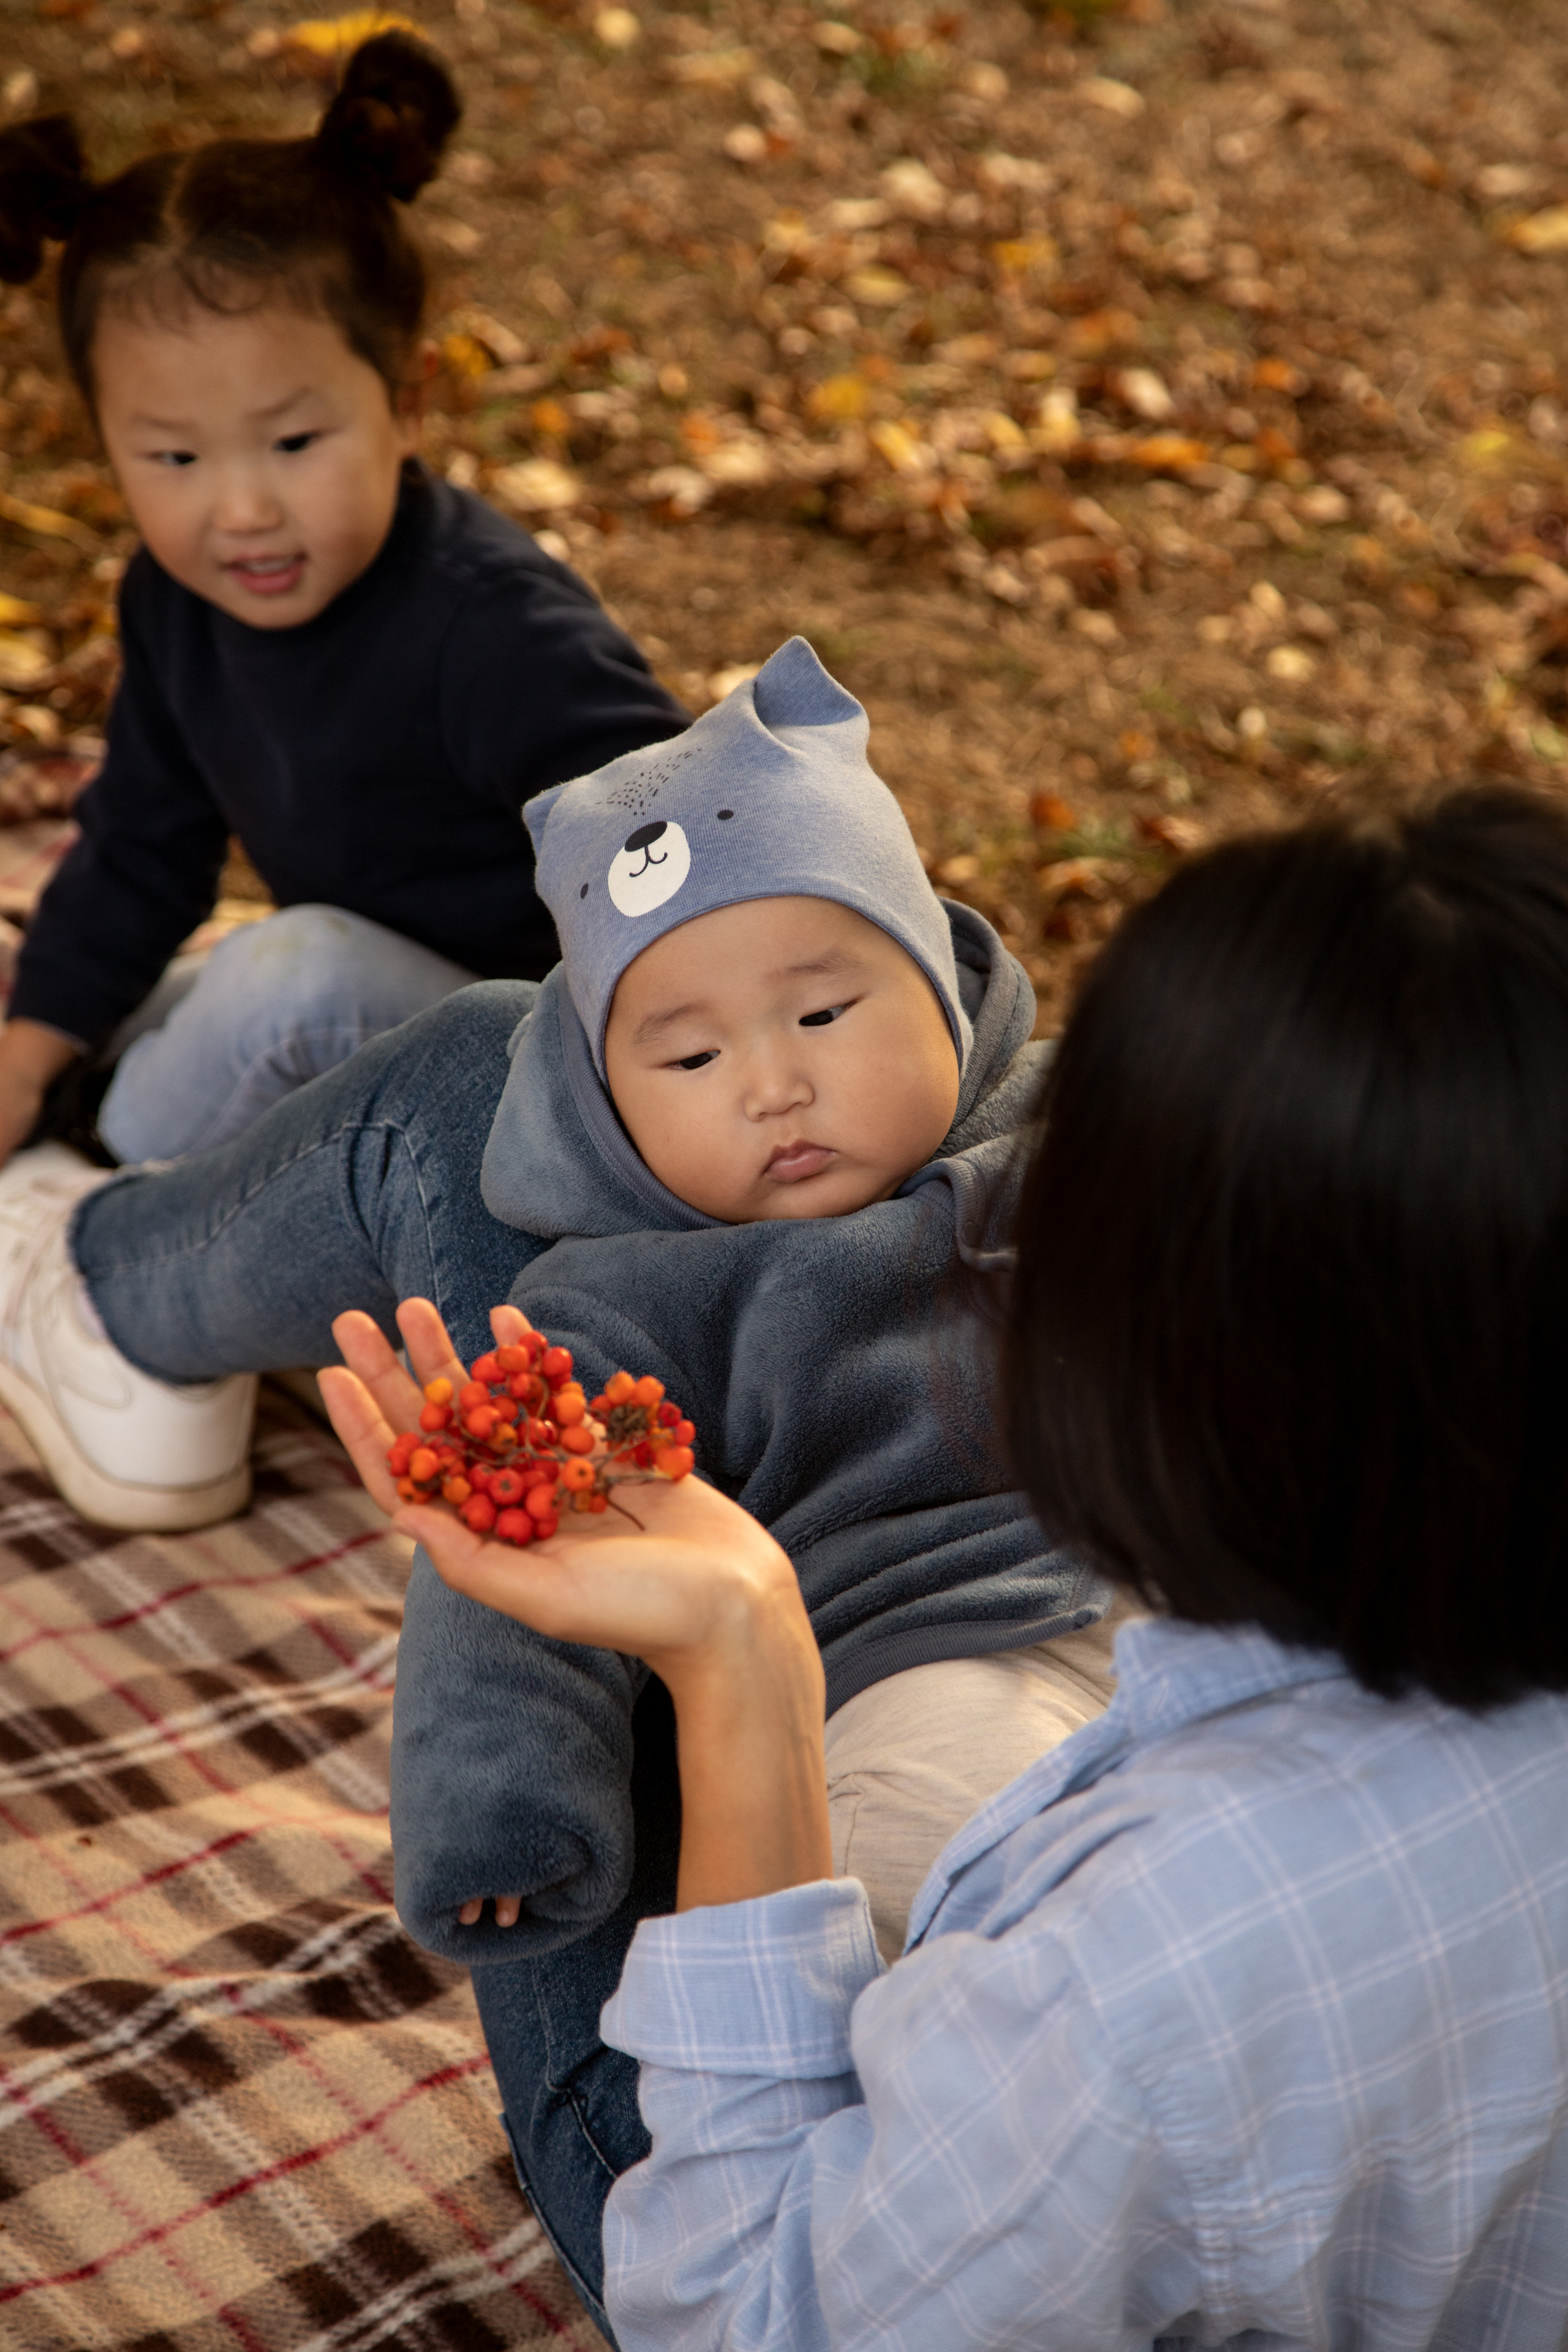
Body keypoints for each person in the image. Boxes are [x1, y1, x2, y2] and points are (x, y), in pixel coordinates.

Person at [324, 782, 1568, 2346]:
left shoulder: (1124, 1988)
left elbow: (749, 2311)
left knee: (446, 1087)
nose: (770, 1087)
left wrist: (733, 1660)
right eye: (689, 1054)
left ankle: (76, 1267)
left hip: (766, 2224)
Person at [0, 640, 1113, 2307]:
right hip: (893, 1683)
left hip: (1163, 1642)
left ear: (945, 995)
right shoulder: (617, 1304)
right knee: (948, 1930)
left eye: (827, 1009)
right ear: (606, 1102)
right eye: (688, 1060)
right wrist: (502, 1806)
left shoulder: (1067, 1159)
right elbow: (515, 1585)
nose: (776, 1081)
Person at [0, 31, 685, 1170]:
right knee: (168, 995)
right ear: (107, 444)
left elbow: (684, 827)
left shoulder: (489, 627)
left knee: (289, 975)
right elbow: (141, 847)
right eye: (175, 459)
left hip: (560, 1069)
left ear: (405, 403)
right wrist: (30, 1051)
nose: (243, 511)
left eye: (294, 441)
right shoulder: (176, 605)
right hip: (383, 1004)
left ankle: (85, 1216)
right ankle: (67, 1114)